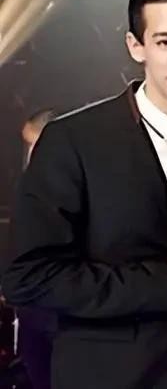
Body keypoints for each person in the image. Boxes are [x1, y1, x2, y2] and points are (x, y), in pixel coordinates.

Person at [2, 0, 167, 389]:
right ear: (136, 46)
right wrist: (165, 284)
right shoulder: (74, 140)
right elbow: (29, 277)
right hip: (107, 375)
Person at [15, 109, 56, 389]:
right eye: (27, 145)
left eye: (35, 145)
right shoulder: (28, 187)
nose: (29, 155)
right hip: (33, 314)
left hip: (61, 320)